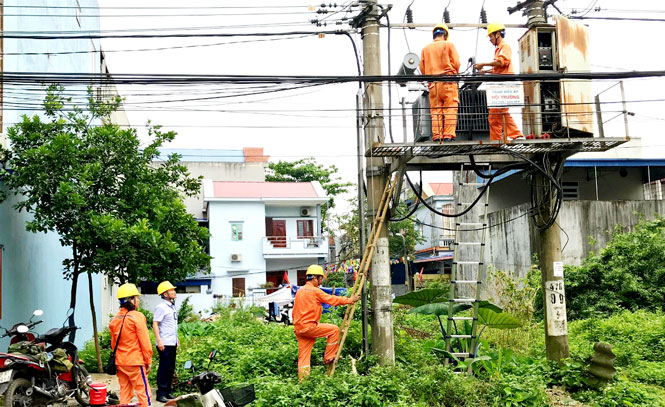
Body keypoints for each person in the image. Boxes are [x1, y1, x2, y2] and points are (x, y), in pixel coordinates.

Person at [292, 264, 360, 381]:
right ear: (315, 278)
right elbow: (332, 300)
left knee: (303, 358)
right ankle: (329, 357)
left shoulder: (300, 291)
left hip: (299, 329)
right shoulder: (315, 291)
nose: (321, 281)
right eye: (320, 278)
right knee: (334, 329)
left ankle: (303, 382)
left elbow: (294, 310)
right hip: (309, 327)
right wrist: (350, 300)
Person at [474, 22, 525, 142]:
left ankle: (515, 135)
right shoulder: (498, 49)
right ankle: (497, 141)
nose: (490, 39)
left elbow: (502, 62)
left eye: (491, 36)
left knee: (500, 113)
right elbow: (497, 69)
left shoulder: (504, 47)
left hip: (504, 86)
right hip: (499, 86)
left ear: (498, 34)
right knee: (495, 116)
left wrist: (483, 64)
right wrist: (485, 72)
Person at [109, 283, 153, 407]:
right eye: (136, 298)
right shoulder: (137, 317)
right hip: (135, 361)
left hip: (120, 362)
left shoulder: (115, 319)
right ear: (130, 300)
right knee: (143, 392)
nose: (138, 300)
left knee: (125, 392)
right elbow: (145, 342)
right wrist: (148, 360)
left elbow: (113, 344)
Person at [419, 23, 461, 142]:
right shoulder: (449, 45)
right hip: (448, 81)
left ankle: (437, 136)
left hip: (433, 85)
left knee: (436, 111)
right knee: (450, 108)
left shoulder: (425, 49)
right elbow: (457, 63)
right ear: (445, 34)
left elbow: (422, 68)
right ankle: (448, 136)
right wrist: (454, 72)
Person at [152, 281, 179, 403]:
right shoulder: (161, 307)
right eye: (171, 290)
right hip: (164, 342)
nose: (174, 292)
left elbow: (171, 325)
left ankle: (168, 391)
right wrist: (159, 340)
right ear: (165, 294)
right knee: (164, 367)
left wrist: (176, 338)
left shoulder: (172, 306)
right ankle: (161, 393)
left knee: (170, 367)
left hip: (171, 341)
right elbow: (155, 324)